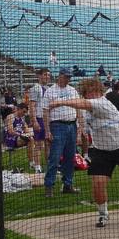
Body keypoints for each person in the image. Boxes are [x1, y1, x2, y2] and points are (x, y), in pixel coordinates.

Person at [48, 78, 119, 227]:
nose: (92, 94)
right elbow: (83, 117)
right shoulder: (85, 110)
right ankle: (103, 214)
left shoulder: (102, 102)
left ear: (100, 92)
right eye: (89, 92)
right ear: (85, 93)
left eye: (95, 91)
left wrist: (59, 102)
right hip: (101, 149)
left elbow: (83, 103)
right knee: (98, 183)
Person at [43, 67, 84, 197]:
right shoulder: (50, 91)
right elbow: (45, 111)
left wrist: (80, 127)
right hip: (57, 125)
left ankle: (68, 184)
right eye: (66, 76)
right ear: (59, 76)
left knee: (70, 157)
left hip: (72, 125)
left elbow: (78, 108)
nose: (68, 79)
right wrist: (47, 131)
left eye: (69, 77)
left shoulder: (72, 90)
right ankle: (49, 186)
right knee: (54, 158)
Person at [29, 68, 51, 173]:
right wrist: (34, 121)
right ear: (39, 76)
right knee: (38, 144)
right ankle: (37, 167)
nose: (47, 76)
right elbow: (32, 105)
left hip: (47, 119)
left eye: (48, 75)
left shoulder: (48, 88)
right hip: (39, 118)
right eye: (45, 74)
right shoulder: (35, 88)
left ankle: (49, 166)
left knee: (48, 143)